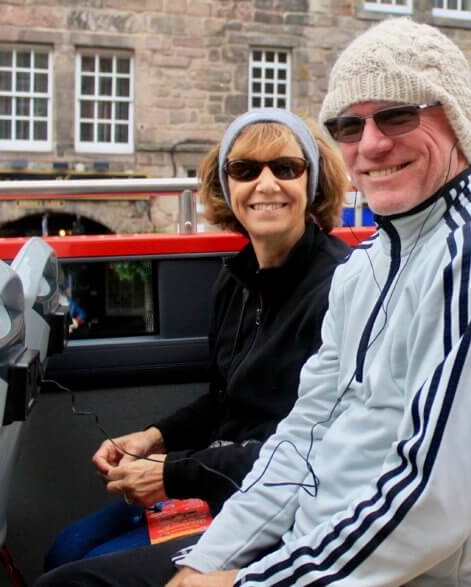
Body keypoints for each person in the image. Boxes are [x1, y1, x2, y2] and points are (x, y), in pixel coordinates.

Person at [39, 17, 471, 587]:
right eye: (348, 124)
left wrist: (250, 583)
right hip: (316, 544)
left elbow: (432, 499)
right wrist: (206, 560)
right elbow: (303, 436)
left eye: (397, 114)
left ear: (456, 118)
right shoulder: (370, 265)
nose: (372, 143)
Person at [42, 109, 350, 570]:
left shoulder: (340, 287)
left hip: (280, 503)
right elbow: (224, 401)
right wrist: (153, 438)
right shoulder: (236, 281)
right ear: (228, 187)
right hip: (223, 478)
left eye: (286, 168)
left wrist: (171, 476)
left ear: (313, 182)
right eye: (245, 170)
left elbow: (315, 448)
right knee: (64, 549)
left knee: (74, 579)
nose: (266, 185)